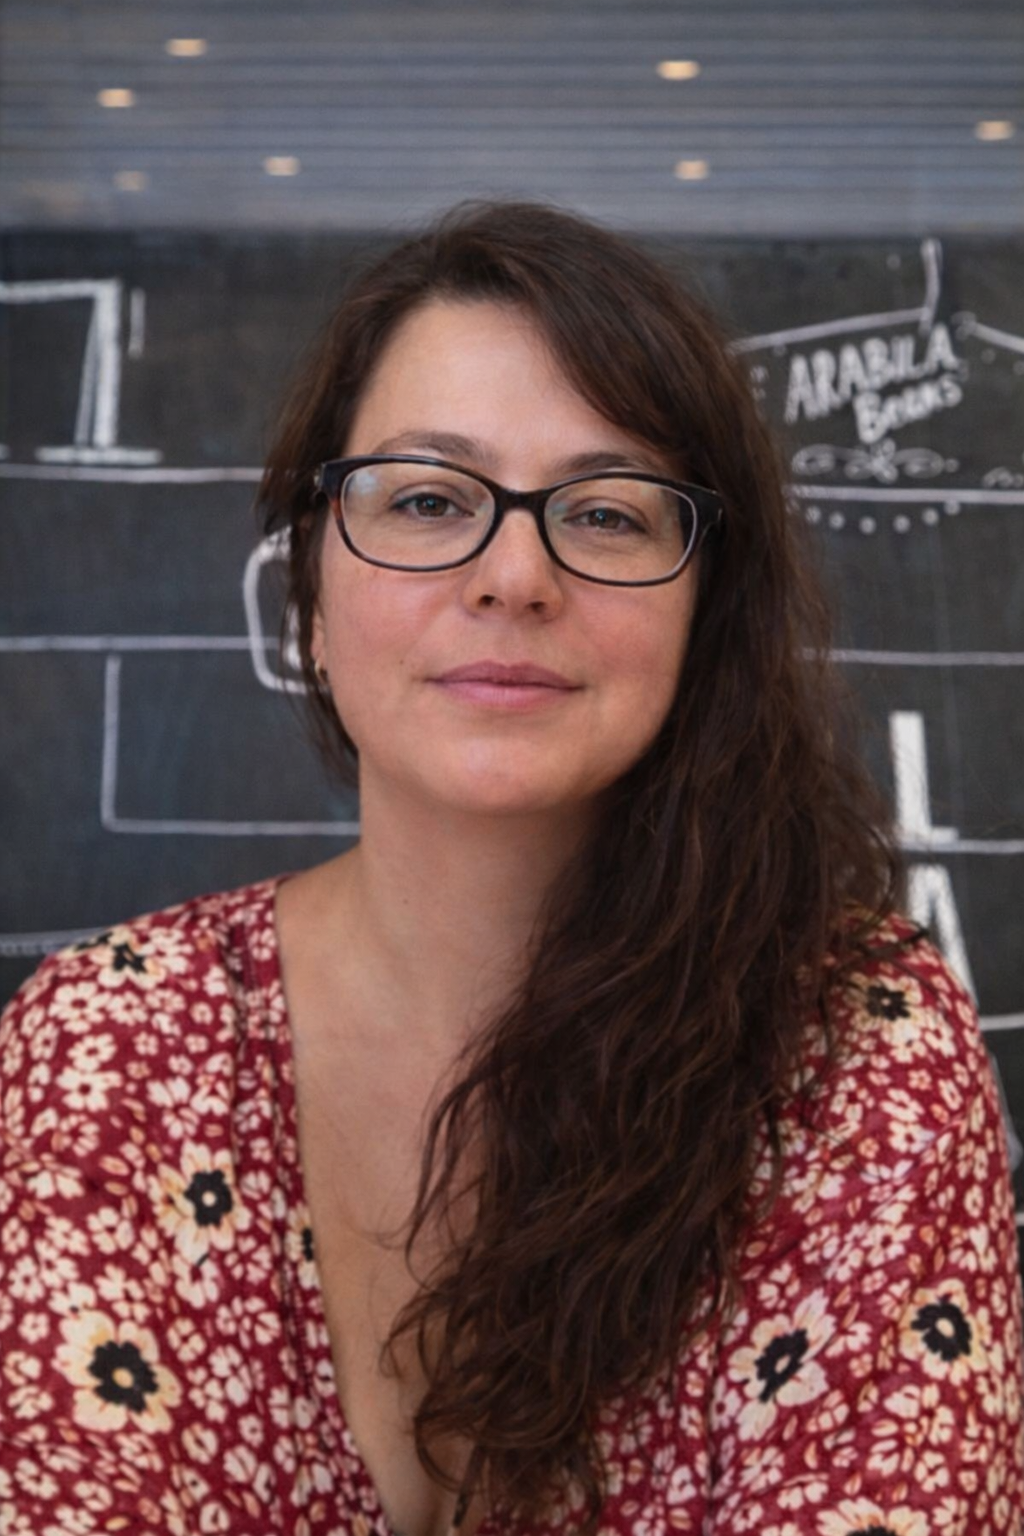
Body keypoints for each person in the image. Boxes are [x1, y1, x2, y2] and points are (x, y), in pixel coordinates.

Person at [0, 201, 1021, 1536]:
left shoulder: (857, 1050)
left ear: (705, 610)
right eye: (427, 499)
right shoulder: (101, 1049)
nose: (516, 572)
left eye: (606, 513)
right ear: (305, 590)